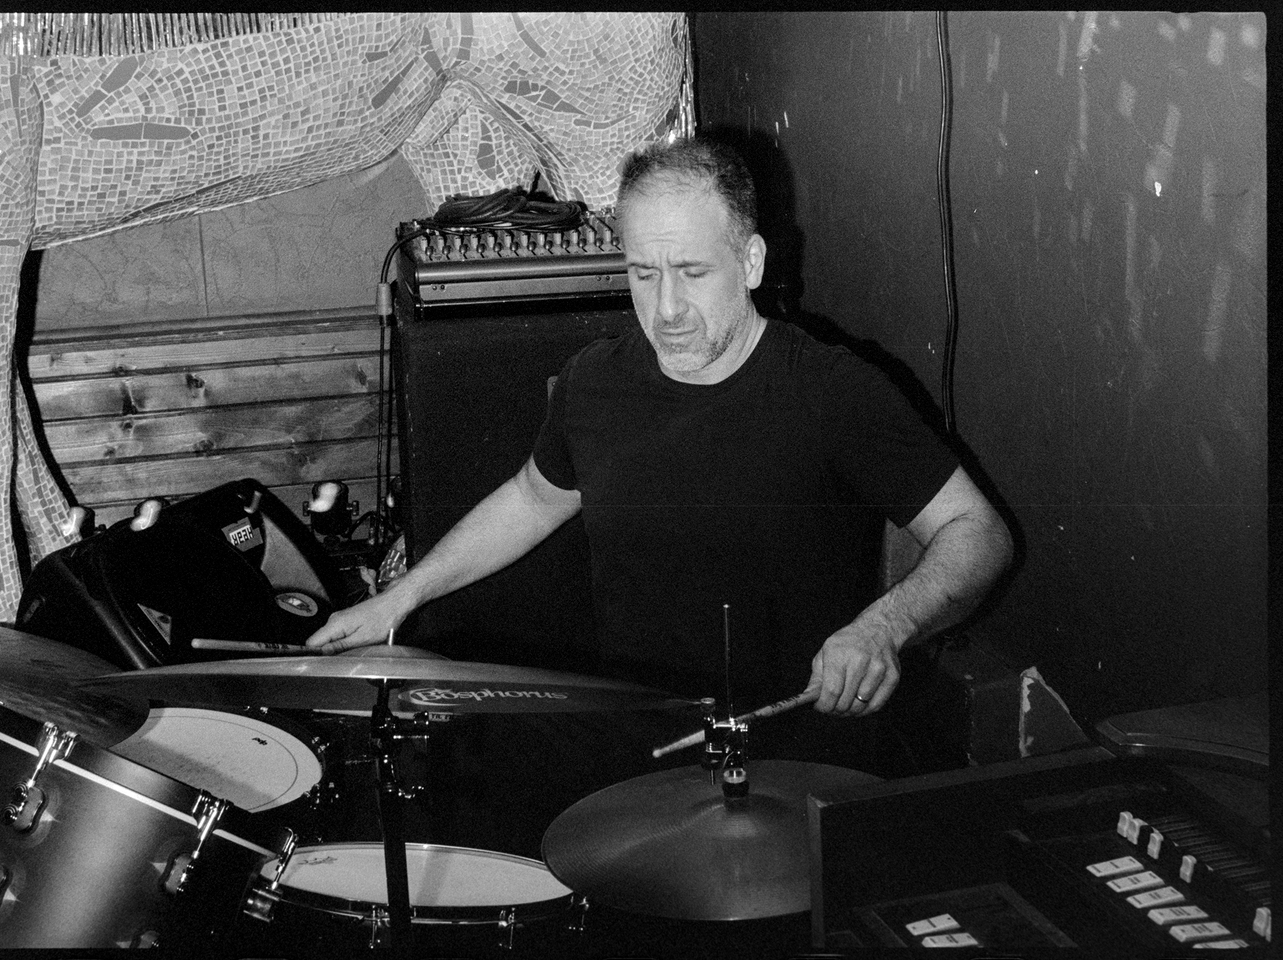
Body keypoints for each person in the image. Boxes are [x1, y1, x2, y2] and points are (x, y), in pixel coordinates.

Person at [308, 137, 1012, 776]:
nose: (667, 308)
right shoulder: (594, 382)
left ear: (753, 261)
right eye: (644, 274)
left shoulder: (832, 389)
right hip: (644, 745)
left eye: (692, 272)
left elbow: (979, 534)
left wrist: (884, 627)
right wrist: (402, 596)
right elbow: (533, 496)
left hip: (798, 745)